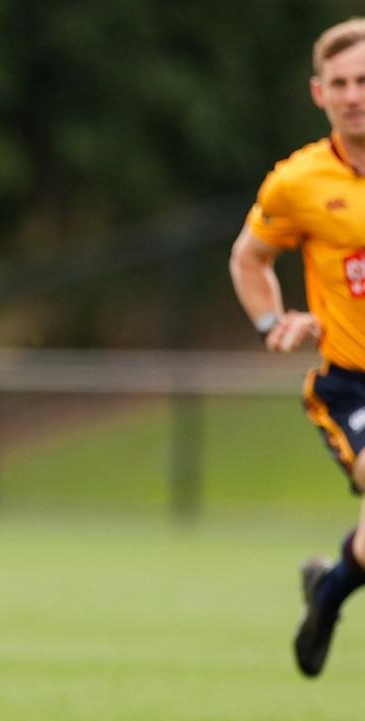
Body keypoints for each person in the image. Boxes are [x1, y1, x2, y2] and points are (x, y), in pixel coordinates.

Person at [229, 17, 365, 679]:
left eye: (364, 79)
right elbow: (250, 258)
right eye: (339, 83)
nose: (353, 94)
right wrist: (270, 321)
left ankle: (328, 590)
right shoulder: (299, 181)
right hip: (353, 387)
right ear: (319, 93)